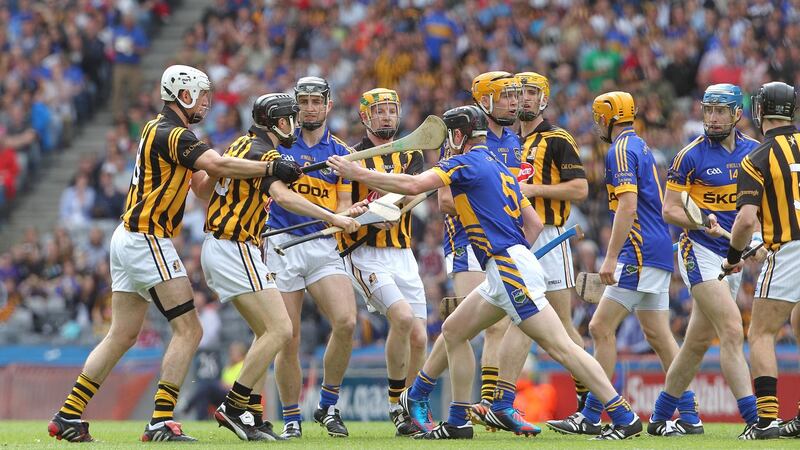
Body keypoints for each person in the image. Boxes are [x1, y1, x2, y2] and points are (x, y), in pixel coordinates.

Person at [328, 105, 642, 440]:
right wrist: (514, 253)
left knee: (563, 347)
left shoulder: (464, 162)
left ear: (460, 135)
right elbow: (533, 224)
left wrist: (356, 172)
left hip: (507, 268)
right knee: (453, 331)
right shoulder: (501, 166)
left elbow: (415, 183)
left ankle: (623, 415)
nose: (448, 143)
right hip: (507, 266)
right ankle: (454, 419)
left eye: (450, 137)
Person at [48, 65, 300, 442]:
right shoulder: (173, 132)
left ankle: (68, 415)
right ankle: (161, 420)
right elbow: (212, 164)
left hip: (128, 238)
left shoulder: (161, 130)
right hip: (148, 238)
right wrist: (267, 165)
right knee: (189, 329)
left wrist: (232, 167)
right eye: (200, 95)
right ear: (183, 95)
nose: (206, 102)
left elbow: (202, 184)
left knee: (122, 334)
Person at [200, 93, 360, 441]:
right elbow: (285, 198)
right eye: (289, 117)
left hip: (221, 245)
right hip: (236, 247)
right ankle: (234, 405)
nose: (295, 122)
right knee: (280, 331)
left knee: (268, 334)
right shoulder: (265, 153)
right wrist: (332, 216)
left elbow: (202, 187)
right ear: (275, 123)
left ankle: (252, 415)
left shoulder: (239, 145)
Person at [547, 91, 679, 436]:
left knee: (599, 328)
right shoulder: (641, 145)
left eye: (598, 117)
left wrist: (609, 256)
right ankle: (690, 412)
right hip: (659, 249)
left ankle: (593, 414)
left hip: (637, 252)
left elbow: (628, 206)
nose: (596, 124)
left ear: (607, 117)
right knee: (659, 334)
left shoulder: (619, 150)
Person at [402, 71, 522, 433]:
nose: (513, 102)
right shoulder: (459, 138)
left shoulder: (514, 141)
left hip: (502, 243)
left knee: (490, 325)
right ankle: (454, 407)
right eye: (504, 97)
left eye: (514, 95)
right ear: (484, 101)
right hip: (469, 240)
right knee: (469, 328)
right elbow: (443, 199)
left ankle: (467, 403)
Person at [650, 84, 762, 437]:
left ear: (736, 114)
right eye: (708, 110)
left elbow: (758, 210)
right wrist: (701, 221)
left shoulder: (754, 153)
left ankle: (661, 416)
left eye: (720, 111)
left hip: (732, 256)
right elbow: (670, 209)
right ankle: (754, 420)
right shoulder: (689, 156)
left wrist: (755, 240)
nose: (712, 118)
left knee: (696, 343)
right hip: (697, 252)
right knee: (731, 329)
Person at [488, 71, 589, 418]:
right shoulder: (507, 142)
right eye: (520, 93)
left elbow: (580, 190)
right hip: (516, 239)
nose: (524, 99)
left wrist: (534, 191)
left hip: (550, 235)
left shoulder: (558, 139)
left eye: (531, 93)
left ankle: (588, 405)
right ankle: (501, 402)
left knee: (560, 323)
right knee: (520, 320)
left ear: (544, 99)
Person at [263, 76, 359, 439]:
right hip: (284, 243)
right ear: (295, 106)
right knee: (287, 336)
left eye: (316, 101)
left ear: (328, 105)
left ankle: (327, 405)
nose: (309, 108)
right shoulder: (281, 148)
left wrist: (351, 215)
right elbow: (282, 196)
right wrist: (333, 217)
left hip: (321, 247)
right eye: (302, 101)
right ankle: (290, 417)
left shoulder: (342, 153)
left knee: (347, 321)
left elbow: (345, 204)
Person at [339, 88, 428, 436]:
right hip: (365, 252)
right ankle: (396, 405)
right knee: (403, 318)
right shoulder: (351, 157)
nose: (387, 116)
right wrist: (362, 213)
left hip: (403, 253)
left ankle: (412, 404)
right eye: (379, 111)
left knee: (420, 338)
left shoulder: (412, 153)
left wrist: (392, 206)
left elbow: (414, 192)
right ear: (365, 117)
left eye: (392, 109)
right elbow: (343, 207)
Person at [722, 81, 800, 440]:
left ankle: (767, 420)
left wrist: (733, 257)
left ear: (761, 110)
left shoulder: (756, 158)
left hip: (789, 251)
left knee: (763, 331)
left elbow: (745, 221)